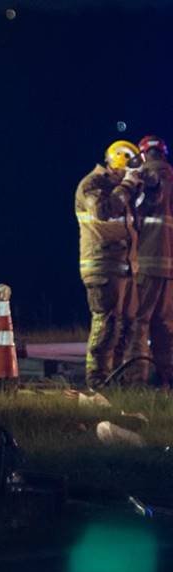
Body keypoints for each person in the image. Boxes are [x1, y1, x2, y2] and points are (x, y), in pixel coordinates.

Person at [76, 140, 143, 388]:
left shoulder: (118, 188)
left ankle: (116, 378)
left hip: (124, 266)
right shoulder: (92, 184)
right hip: (101, 265)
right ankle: (96, 381)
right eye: (129, 168)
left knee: (125, 324)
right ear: (119, 162)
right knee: (105, 323)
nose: (131, 174)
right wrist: (126, 185)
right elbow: (103, 212)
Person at [125, 136, 173, 385]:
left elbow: (137, 210)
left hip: (147, 261)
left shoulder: (143, 176)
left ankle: (137, 380)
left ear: (143, 154)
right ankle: (167, 378)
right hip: (169, 266)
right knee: (165, 325)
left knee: (139, 322)